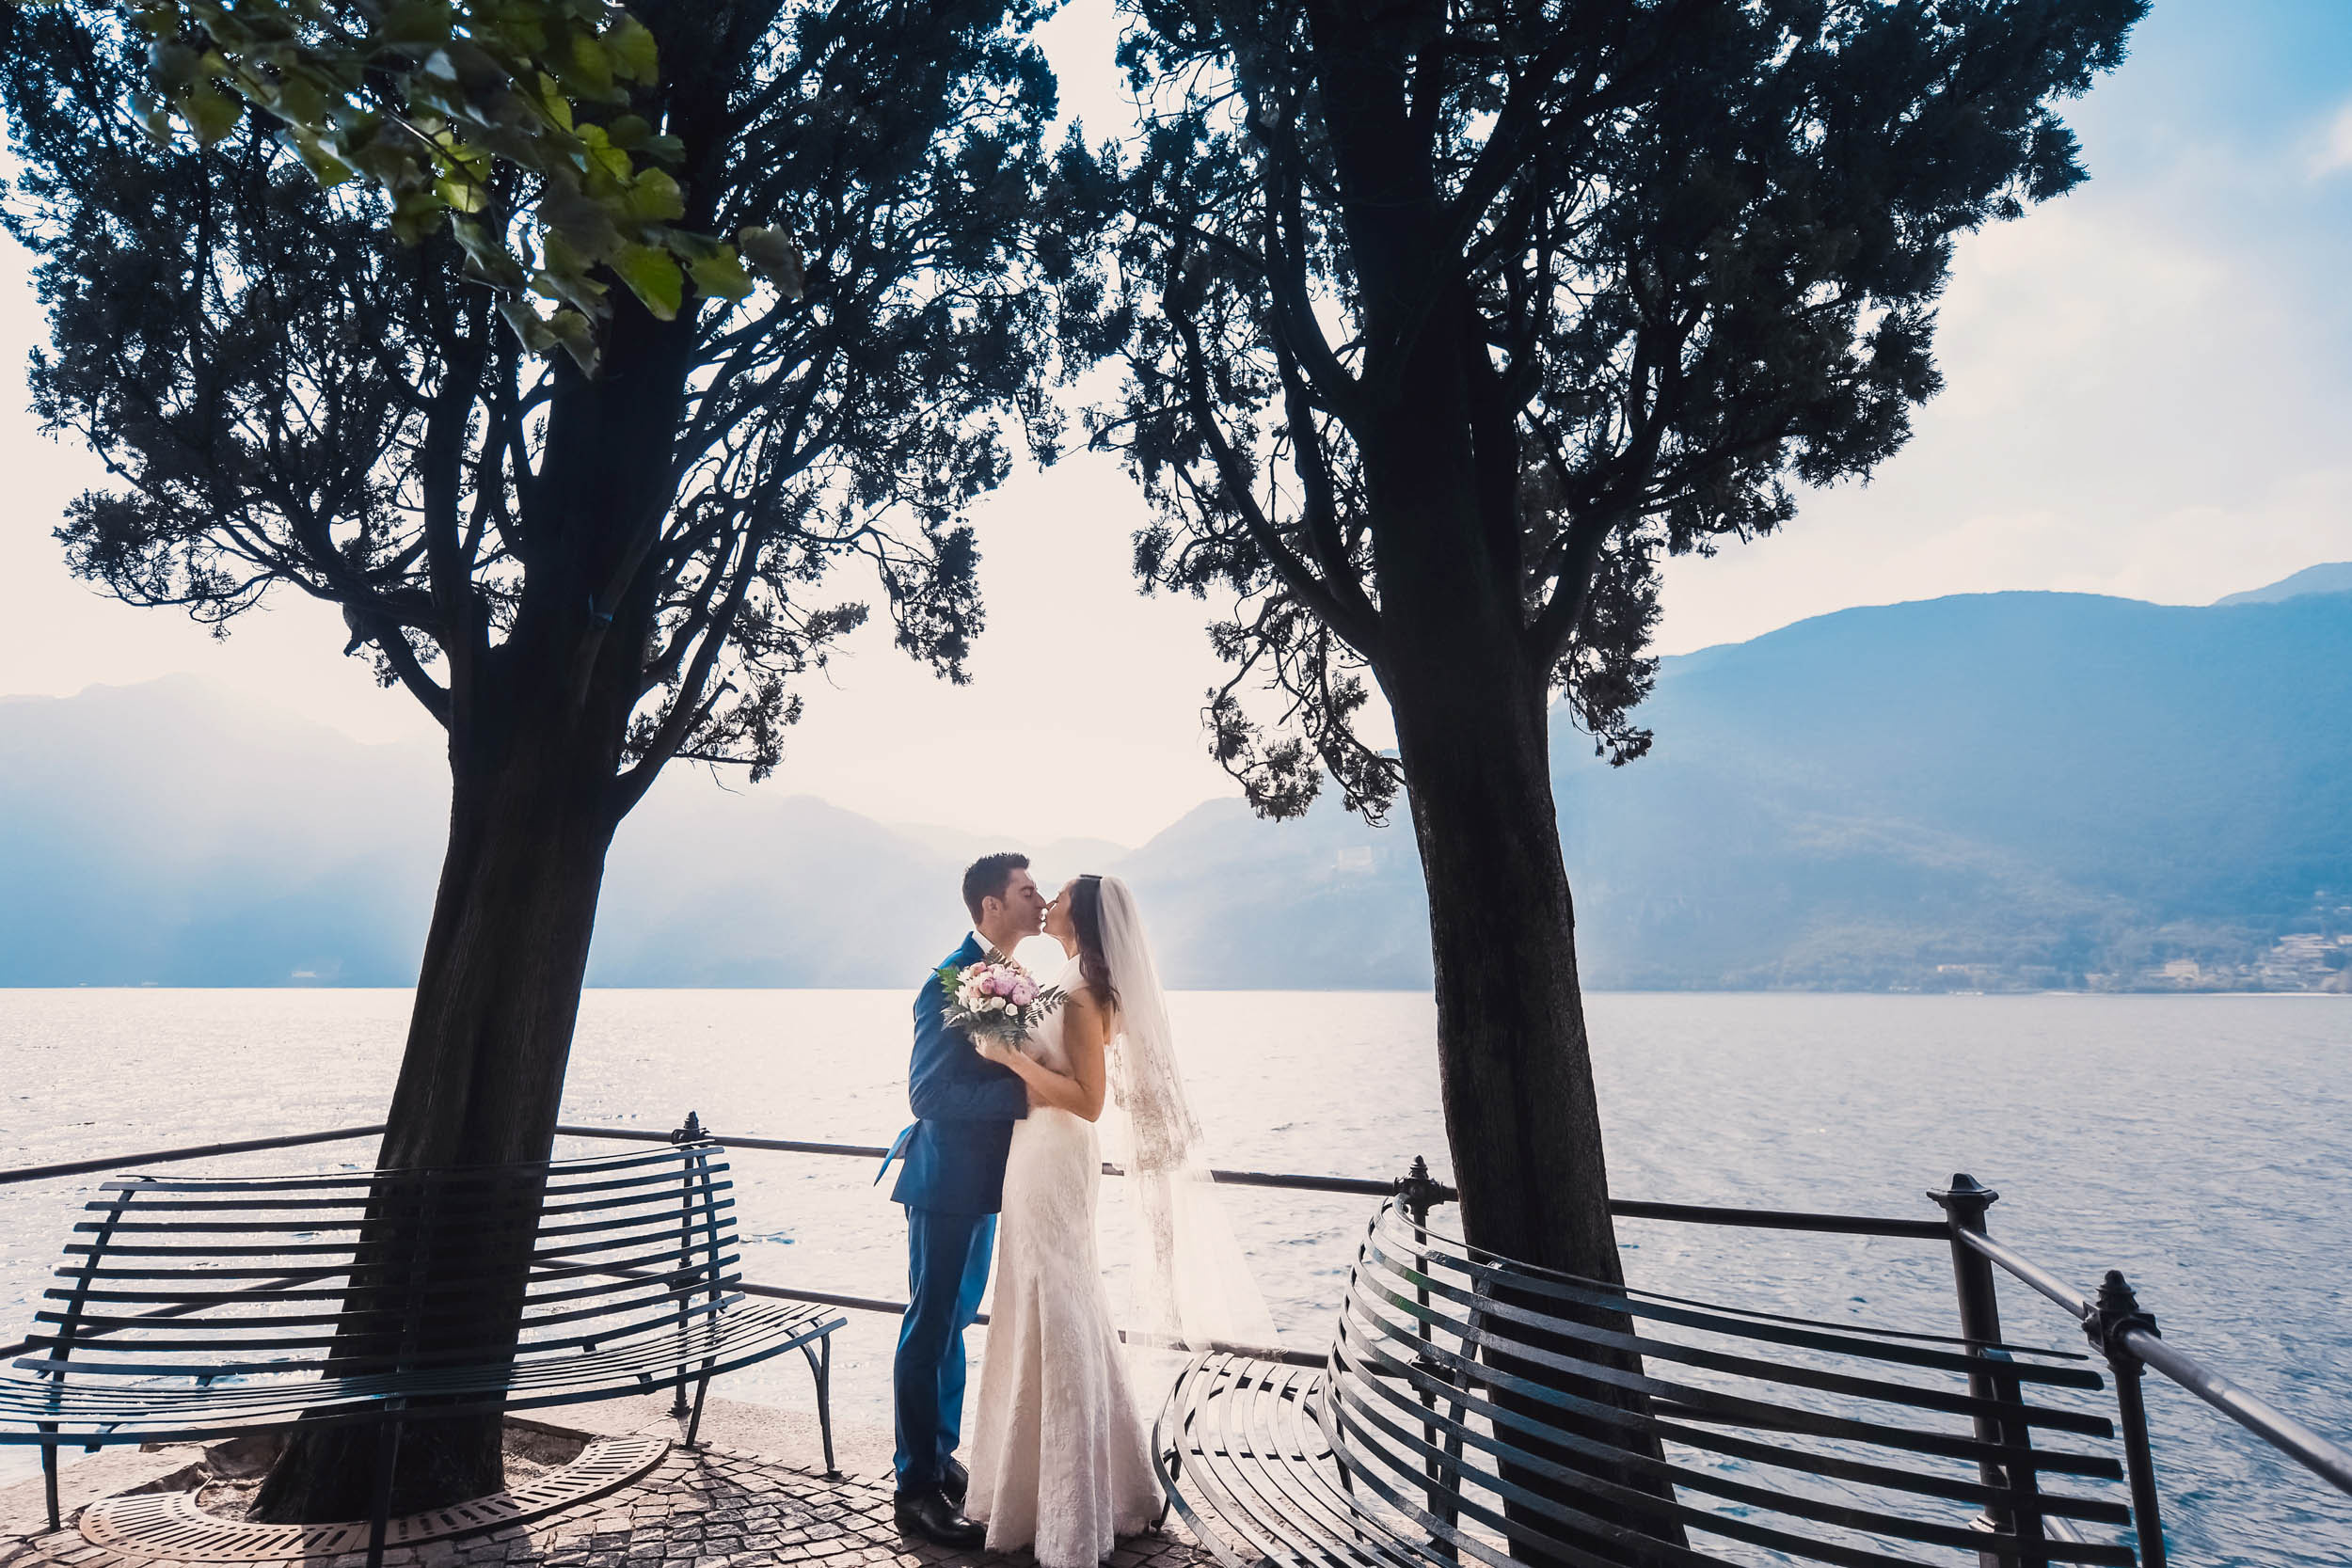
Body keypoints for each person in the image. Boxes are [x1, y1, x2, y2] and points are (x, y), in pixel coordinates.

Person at [961, 874, 1274, 1568]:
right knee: (1051, 1301)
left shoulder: (1078, 991)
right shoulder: (1065, 976)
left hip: (1053, 1150)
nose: (1051, 896)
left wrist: (1008, 1054)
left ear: (1086, 913)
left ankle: (1074, 1505)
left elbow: (1087, 1100)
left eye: (1063, 888)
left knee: (1062, 1303)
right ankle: (1067, 1485)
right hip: (1034, 1151)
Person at [886, 852, 1046, 1547]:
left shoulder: (1013, 979)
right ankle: (914, 1487)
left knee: (953, 1323)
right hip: (944, 1181)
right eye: (1026, 889)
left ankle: (940, 1456)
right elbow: (928, 1094)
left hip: (983, 1186)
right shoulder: (946, 981)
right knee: (928, 1329)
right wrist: (1022, 1094)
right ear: (990, 906)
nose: (1039, 896)